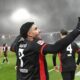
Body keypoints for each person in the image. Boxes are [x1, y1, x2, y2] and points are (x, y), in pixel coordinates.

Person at [10, 18, 80, 80]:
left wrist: (21, 35)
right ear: (29, 34)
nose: (39, 30)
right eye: (36, 29)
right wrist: (77, 30)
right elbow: (54, 48)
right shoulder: (35, 44)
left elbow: (12, 47)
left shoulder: (18, 45)